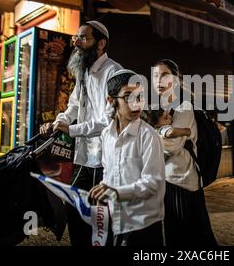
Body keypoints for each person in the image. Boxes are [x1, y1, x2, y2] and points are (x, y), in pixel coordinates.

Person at [40, 20, 123, 246]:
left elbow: (108, 120)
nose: (76, 42)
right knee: (75, 209)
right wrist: (58, 122)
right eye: (76, 37)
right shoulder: (84, 73)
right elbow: (73, 106)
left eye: (83, 38)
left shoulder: (113, 72)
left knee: (100, 218)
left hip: (104, 161)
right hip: (83, 157)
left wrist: (72, 129)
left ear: (101, 43)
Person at [89, 69, 165, 246]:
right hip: (116, 220)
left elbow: (153, 182)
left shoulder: (149, 136)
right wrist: (103, 189)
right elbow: (109, 172)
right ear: (111, 100)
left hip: (143, 224)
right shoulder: (106, 135)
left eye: (140, 97)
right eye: (128, 97)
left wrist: (117, 192)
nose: (136, 104)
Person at [152, 59, 217, 247]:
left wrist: (154, 131)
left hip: (184, 183)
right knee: (173, 235)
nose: (159, 80)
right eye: (155, 75)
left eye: (164, 75)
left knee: (193, 237)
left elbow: (172, 146)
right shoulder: (158, 109)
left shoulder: (184, 108)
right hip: (165, 180)